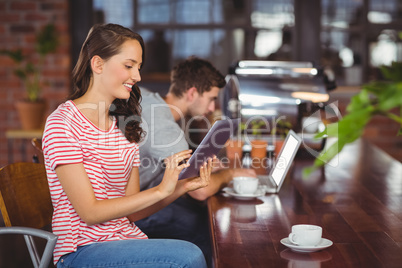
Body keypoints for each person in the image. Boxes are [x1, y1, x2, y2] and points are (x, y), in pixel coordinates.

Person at [42, 23, 214, 268]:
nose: (137, 77)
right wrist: (160, 190)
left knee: (194, 247)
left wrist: (181, 187)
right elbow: (89, 212)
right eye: (129, 66)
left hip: (122, 239)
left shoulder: (123, 126)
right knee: (189, 256)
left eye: (139, 67)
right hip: (81, 249)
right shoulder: (63, 123)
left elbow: (131, 212)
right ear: (98, 64)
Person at [136, 57, 256, 265]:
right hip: (132, 210)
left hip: (143, 193)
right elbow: (198, 191)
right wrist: (230, 174)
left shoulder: (151, 100)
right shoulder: (164, 127)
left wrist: (199, 164)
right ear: (192, 93)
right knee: (205, 229)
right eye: (211, 99)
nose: (211, 107)